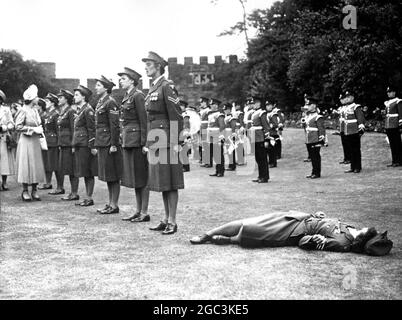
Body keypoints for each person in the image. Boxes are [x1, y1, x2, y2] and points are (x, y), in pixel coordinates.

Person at [189, 210, 393, 256]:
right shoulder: (351, 228)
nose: (369, 228)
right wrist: (318, 215)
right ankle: (211, 235)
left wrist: (313, 239)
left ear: (366, 238)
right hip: (296, 216)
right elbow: (326, 223)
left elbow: (305, 243)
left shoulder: (342, 243)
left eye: (371, 232)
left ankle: (224, 239)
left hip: (292, 230)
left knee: (250, 230)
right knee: (250, 222)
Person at [142, 51, 184, 235]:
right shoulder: (153, 87)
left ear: (158, 66)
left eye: (149, 64)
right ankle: (166, 218)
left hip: (167, 140)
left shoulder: (166, 87)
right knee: (161, 181)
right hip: (156, 139)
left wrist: (176, 141)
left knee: (171, 181)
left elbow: (176, 115)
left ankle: (173, 221)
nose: (146, 67)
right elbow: (149, 119)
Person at [117, 67, 150, 222]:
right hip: (129, 140)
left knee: (142, 178)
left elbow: (144, 121)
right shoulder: (127, 96)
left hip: (137, 141)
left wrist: (145, 143)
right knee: (135, 178)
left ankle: (144, 212)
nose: (120, 81)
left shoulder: (138, 96)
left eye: (123, 78)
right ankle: (138, 210)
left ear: (131, 80)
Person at [94, 76, 122, 214]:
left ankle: (114, 204)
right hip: (102, 141)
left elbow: (114, 125)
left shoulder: (110, 103)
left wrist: (114, 144)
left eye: (98, 85)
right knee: (107, 175)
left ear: (106, 88)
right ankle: (110, 203)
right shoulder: (101, 102)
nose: (96, 87)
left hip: (108, 142)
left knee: (113, 175)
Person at [14, 85, 45, 201]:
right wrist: (32, 130)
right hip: (26, 141)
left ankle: (35, 190)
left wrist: (40, 129)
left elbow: (38, 123)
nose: (38, 99)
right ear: (32, 98)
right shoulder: (23, 110)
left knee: (36, 164)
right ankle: (25, 190)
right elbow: (18, 126)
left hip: (35, 141)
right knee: (26, 164)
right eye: (36, 97)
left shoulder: (35, 110)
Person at [72, 85, 98, 207]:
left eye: (77, 95)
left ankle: (89, 198)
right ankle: (87, 197)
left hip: (86, 145)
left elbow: (92, 129)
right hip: (79, 143)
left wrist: (92, 146)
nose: (74, 97)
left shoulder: (88, 110)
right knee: (84, 171)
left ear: (83, 96)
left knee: (88, 171)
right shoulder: (80, 109)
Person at [57, 89, 79, 200]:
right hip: (63, 144)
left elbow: (73, 128)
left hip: (69, 145)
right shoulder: (63, 111)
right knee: (68, 169)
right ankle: (72, 193)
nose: (58, 99)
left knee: (72, 169)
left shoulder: (70, 111)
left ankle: (74, 193)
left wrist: (73, 145)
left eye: (61, 97)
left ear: (66, 99)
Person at [41, 93, 64, 194]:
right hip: (47, 142)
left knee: (56, 166)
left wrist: (59, 143)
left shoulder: (56, 114)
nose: (46, 103)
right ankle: (48, 183)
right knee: (47, 163)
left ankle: (60, 187)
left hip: (54, 142)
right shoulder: (47, 114)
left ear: (52, 103)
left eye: (47, 101)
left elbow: (58, 130)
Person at [342, 90, 365, 173]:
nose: (348, 99)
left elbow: (360, 117)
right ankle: (352, 166)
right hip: (347, 131)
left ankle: (357, 166)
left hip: (354, 130)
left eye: (349, 97)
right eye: (346, 97)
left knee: (356, 149)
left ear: (353, 97)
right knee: (350, 150)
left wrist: (361, 126)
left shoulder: (356, 107)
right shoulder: (345, 108)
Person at [302, 95, 325, 179]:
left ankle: (317, 172)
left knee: (315, 156)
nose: (307, 107)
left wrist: (321, 138)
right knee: (312, 156)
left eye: (309, 105)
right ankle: (313, 172)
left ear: (314, 106)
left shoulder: (318, 116)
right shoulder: (307, 116)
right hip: (309, 138)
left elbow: (321, 128)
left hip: (315, 138)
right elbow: (305, 127)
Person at [249, 96, 270, 183]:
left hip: (261, 137)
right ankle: (260, 175)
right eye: (252, 103)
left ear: (259, 103)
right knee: (258, 158)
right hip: (255, 137)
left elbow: (266, 127)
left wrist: (266, 140)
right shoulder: (254, 113)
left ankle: (264, 177)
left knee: (262, 158)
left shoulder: (262, 113)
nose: (253, 105)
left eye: (254, 103)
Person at [0, 89, 16, 191]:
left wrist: (5, 127)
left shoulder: (6, 110)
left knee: (4, 160)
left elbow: (12, 123)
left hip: (3, 137)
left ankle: (4, 182)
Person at [383, 85, 402, 167]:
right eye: (388, 92)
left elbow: (401, 113)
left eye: (390, 92)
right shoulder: (387, 102)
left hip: (395, 124)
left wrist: (401, 123)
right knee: (392, 144)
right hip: (389, 125)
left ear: (394, 92)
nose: (389, 94)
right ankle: (394, 160)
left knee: (397, 143)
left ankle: (399, 160)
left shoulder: (398, 101)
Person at [207, 98, 226, 177]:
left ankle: (221, 171)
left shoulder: (219, 114)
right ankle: (217, 170)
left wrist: (221, 136)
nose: (211, 106)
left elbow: (222, 125)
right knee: (214, 154)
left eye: (213, 105)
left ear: (216, 105)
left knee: (219, 154)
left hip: (217, 135)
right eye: (211, 105)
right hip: (211, 135)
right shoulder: (210, 114)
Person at [265, 100, 280, 168]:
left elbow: (275, 124)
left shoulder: (273, 114)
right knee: (268, 148)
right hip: (267, 133)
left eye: (269, 105)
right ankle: (270, 161)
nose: (268, 107)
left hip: (272, 133)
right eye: (267, 105)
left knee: (272, 148)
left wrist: (268, 126)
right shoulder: (265, 114)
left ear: (272, 106)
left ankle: (273, 162)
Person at [223, 102, 237, 171]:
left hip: (230, 135)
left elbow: (233, 127)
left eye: (226, 109)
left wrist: (233, 136)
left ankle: (232, 165)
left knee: (231, 151)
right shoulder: (226, 117)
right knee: (229, 151)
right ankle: (230, 164)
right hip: (226, 135)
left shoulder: (232, 117)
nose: (225, 111)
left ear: (229, 109)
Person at [199, 97, 211, 167]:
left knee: (206, 145)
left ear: (205, 102)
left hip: (206, 128)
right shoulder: (202, 110)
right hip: (202, 128)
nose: (201, 104)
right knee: (203, 145)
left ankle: (208, 161)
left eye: (202, 102)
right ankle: (205, 160)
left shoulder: (208, 110)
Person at [180, 100, 191, 172]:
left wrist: (185, 135)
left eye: (182, 106)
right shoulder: (180, 114)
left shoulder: (185, 115)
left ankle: (186, 167)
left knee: (184, 151)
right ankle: (183, 165)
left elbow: (186, 125)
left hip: (184, 134)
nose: (180, 107)